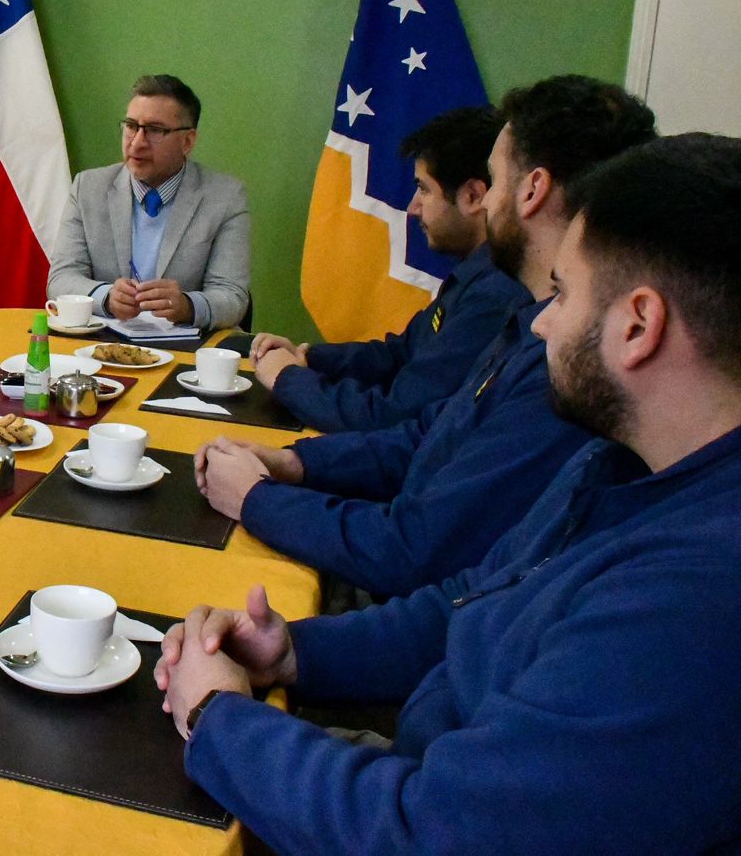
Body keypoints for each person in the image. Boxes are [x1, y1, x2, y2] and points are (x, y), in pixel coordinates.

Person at [155, 134, 741, 852]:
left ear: (638, 326)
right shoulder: (618, 463)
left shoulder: (694, 600)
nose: (542, 322)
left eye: (562, 294)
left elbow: (431, 834)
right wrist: (293, 654)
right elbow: (470, 601)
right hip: (413, 762)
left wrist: (216, 716)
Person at [197, 76, 654, 599]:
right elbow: (428, 435)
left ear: (532, 191)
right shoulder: (526, 316)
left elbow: (415, 551)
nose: (486, 201)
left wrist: (257, 498)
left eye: (493, 180)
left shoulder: (563, 362)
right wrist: (298, 462)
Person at [250, 106, 528, 432]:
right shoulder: (474, 274)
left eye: (424, 189)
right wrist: (309, 357)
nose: (412, 208)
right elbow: (400, 353)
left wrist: (288, 379)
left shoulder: (494, 294)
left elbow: (393, 415)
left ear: (473, 196)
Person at [46, 74, 250, 329]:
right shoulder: (88, 188)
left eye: (155, 130)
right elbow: (61, 279)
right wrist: (106, 296)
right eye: (131, 126)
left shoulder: (225, 197)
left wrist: (187, 306)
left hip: (184, 345)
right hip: (104, 341)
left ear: (187, 141)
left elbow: (233, 297)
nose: (137, 142)